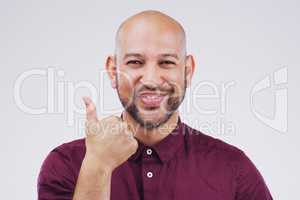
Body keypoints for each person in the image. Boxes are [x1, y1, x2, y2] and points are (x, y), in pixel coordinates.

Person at [37, 10, 273, 200]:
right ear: (112, 70)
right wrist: (98, 166)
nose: (150, 79)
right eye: (135, 62)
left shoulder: (233, 168)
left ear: (187, 71)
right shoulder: (66, 164)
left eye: (167, 62)